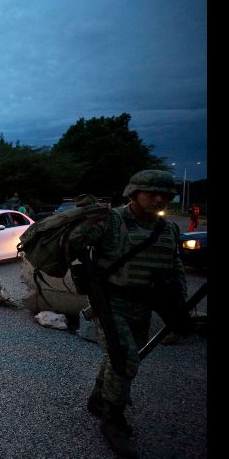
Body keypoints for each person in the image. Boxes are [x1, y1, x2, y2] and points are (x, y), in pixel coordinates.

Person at [68, 170, 189, 458]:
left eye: (164, 194)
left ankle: (98, 399)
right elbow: (76, 242)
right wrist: (86, 220)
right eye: (150, 192)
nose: (158, 198)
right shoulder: (112, 222)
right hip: (110, 302)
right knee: (125, 360)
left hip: (144, 304)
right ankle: (113, 418)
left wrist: (181, 305)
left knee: (120, 355)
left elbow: (176, 267)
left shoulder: (168, 229)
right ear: (133, 193)